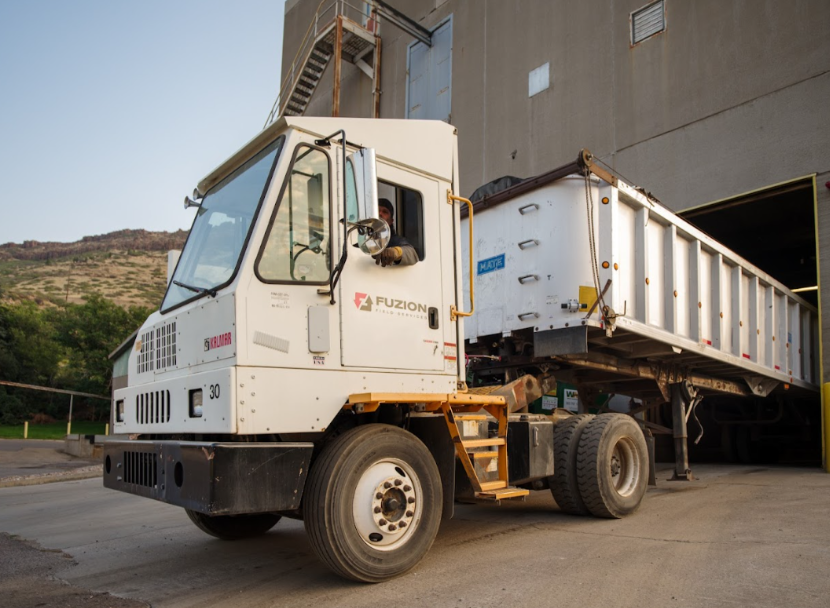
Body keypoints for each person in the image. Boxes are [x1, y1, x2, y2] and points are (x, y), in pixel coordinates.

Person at [374, 198, 419, 267]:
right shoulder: (361, 238)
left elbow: (412, 254)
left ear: (391, 221)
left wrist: (396, 251)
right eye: (377, 210)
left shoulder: (395, 240)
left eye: (385, 212)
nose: (380, 214)